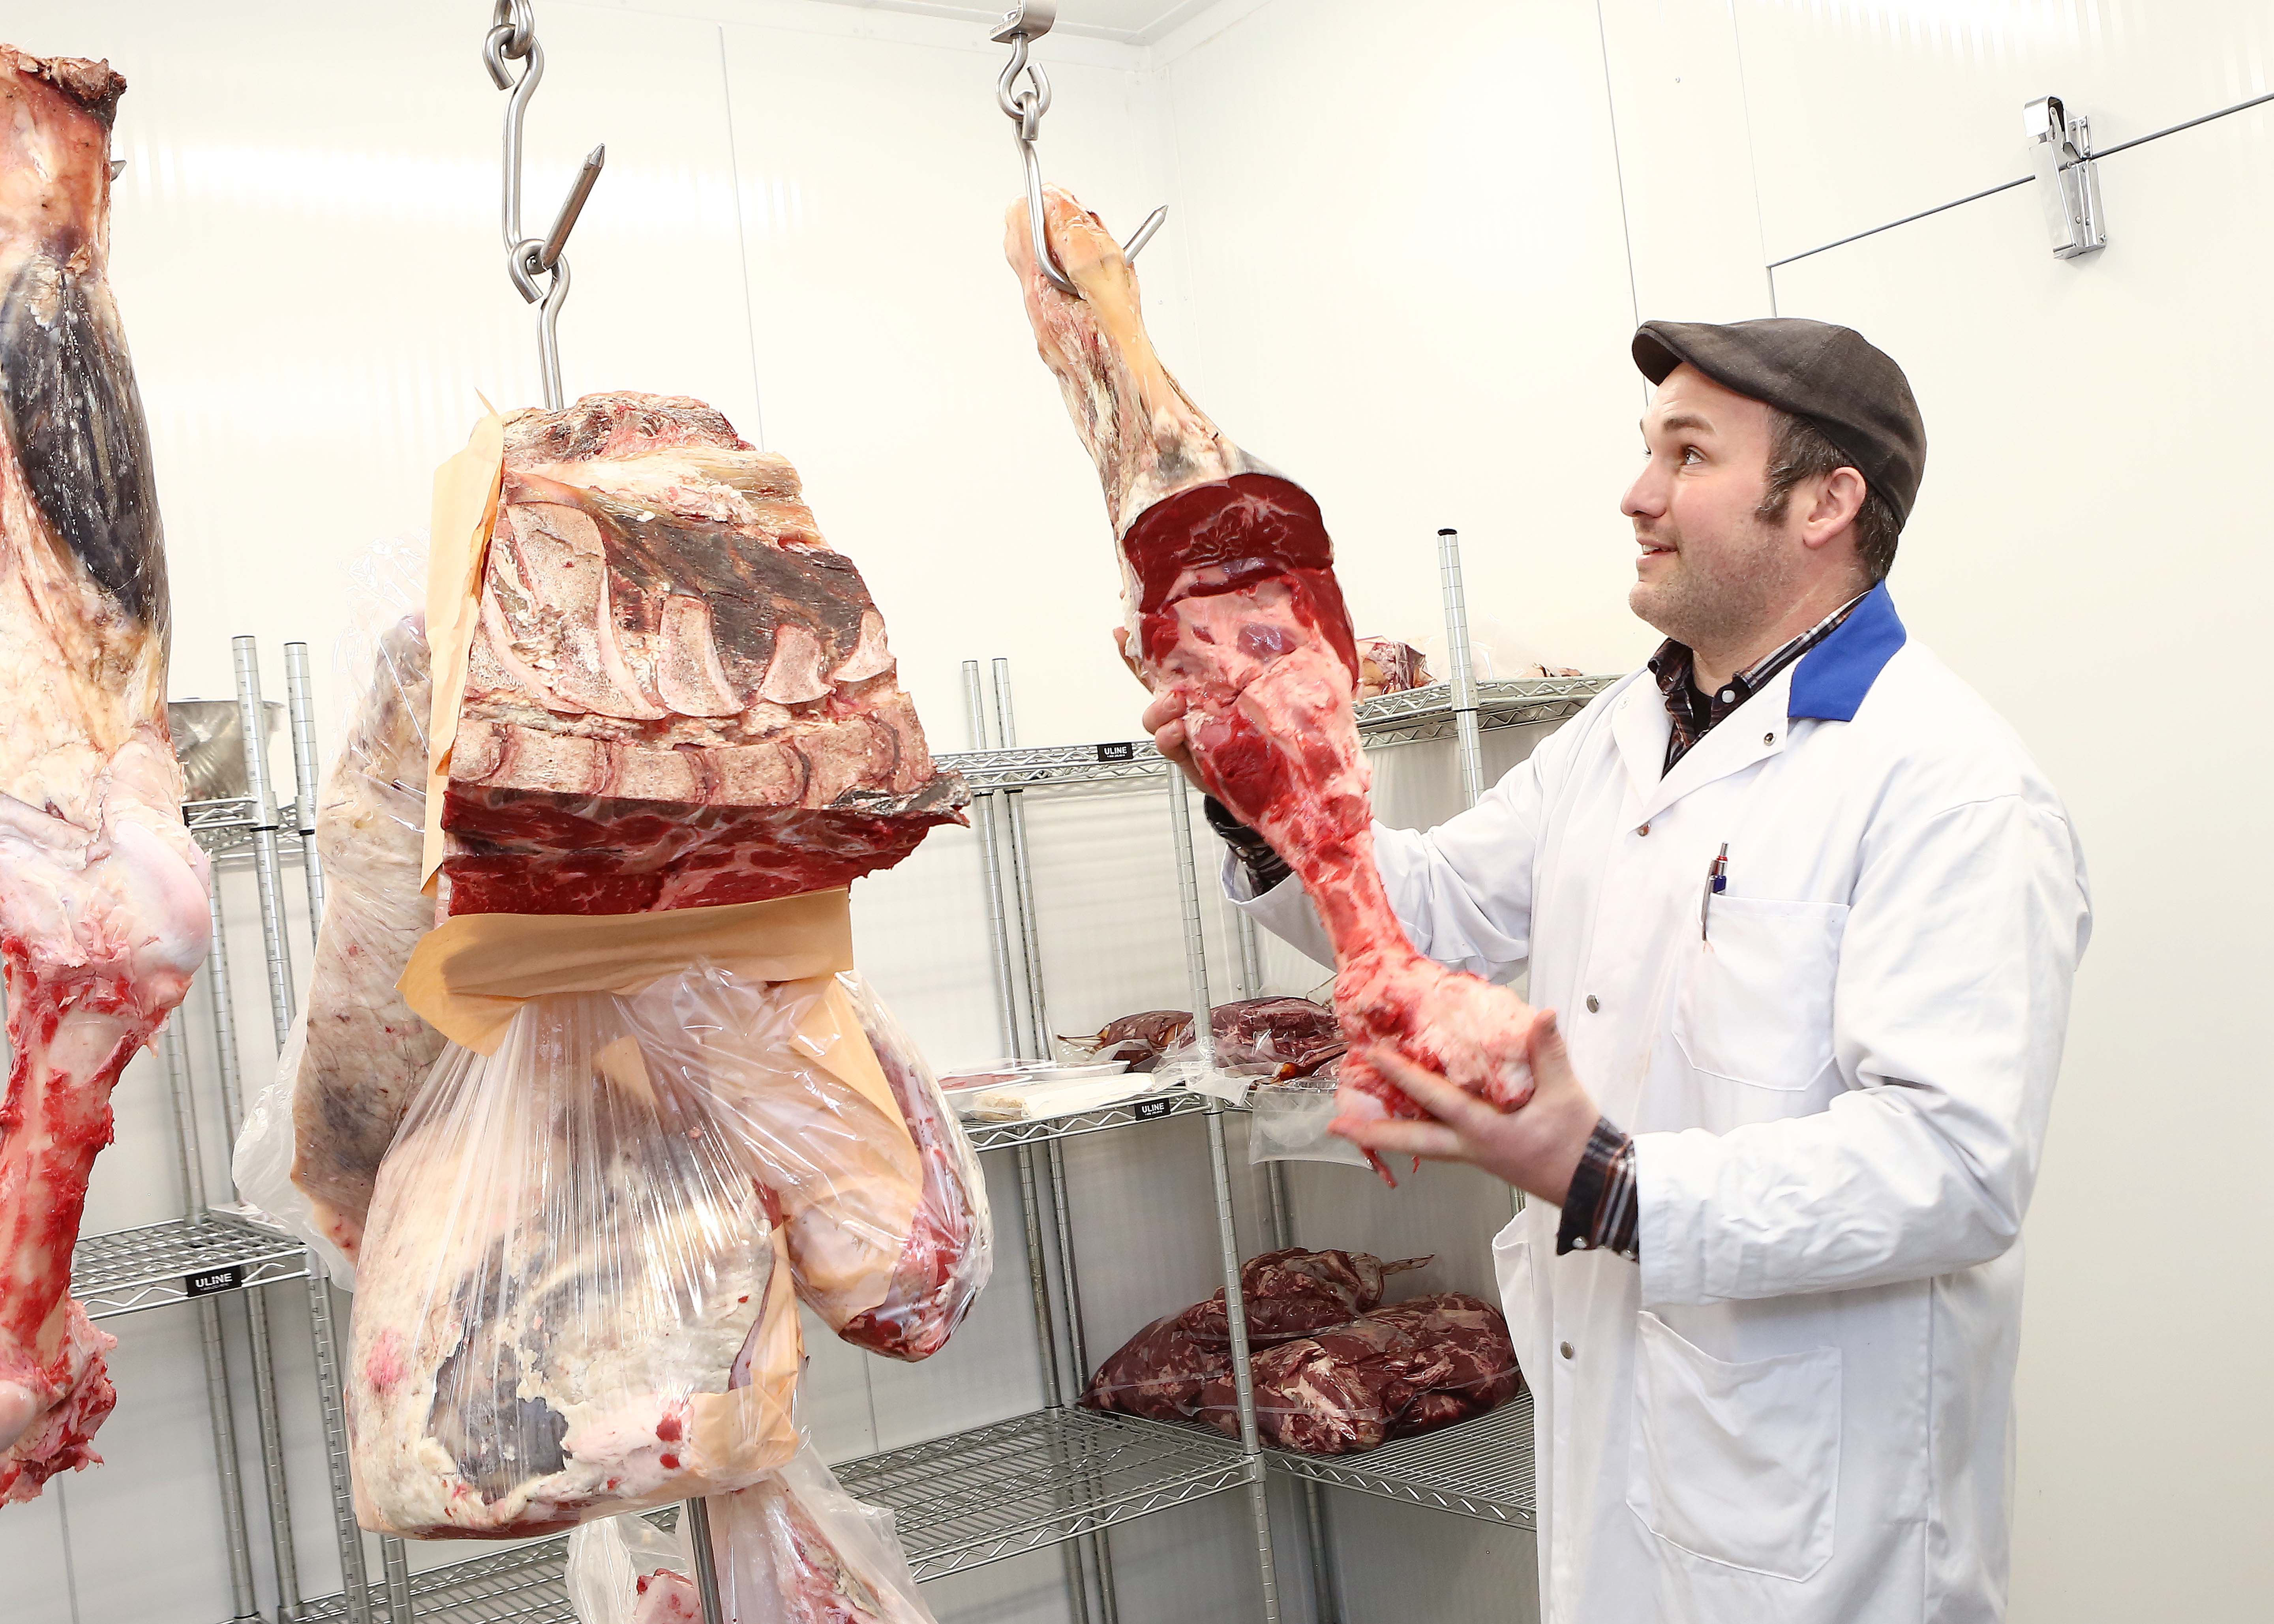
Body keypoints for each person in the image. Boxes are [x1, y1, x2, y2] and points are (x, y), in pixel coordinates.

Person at [1143, 319, 2090, 1624]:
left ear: (1826, 502)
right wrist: (1265, 802)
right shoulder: (1623, 730)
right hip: (1620, 1454)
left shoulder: (1949, 782)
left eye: (1687, 454)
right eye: (1648, 449)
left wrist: (1611, 1177)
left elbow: (1957, 1167)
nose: (1637, 492)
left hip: (1819, 1511)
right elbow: (1425, 908)